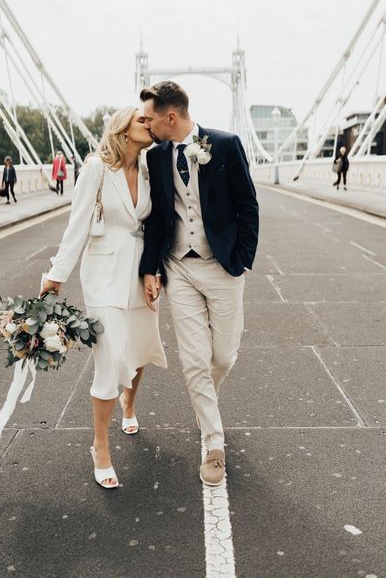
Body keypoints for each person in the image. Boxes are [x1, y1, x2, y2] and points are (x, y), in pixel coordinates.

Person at [140, 81, 259, 487]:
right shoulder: (154, 157)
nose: (146, 124)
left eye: (150, 117)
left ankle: (203, 399)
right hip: (180, 268)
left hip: (222, 266)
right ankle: (213, 442)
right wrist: (150, 268)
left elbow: (247, 204)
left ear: (170, 117)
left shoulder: (225, 144)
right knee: (194, 360)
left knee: (223, 357)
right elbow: (156, 218)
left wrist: (242, 260)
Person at [40, 108, 167, 489]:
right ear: (123, 128)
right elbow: (77, 223)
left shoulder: (148, 168)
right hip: (102, 276)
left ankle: (129, 402)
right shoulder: (96, 168)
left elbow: (156, 224)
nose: (150, 123)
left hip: (139, 274)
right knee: (111, 358)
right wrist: (56, 275)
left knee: (140, 349)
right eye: (142, 120)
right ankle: (100, 446)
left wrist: (154, 271)